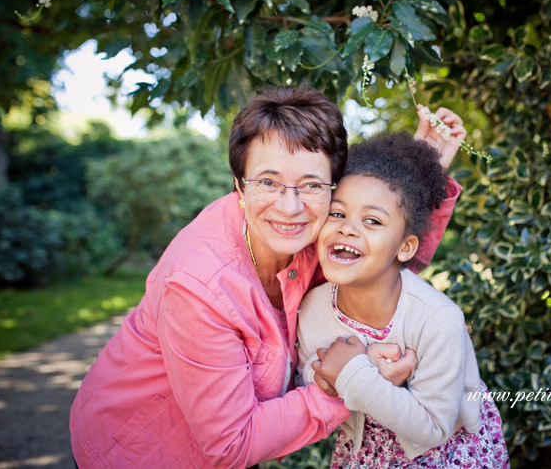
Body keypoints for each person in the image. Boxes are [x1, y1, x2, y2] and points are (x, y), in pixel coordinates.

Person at [69, 84, 467, 468]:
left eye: (311, 184)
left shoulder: (321, 229)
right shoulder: (199, 285)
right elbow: (232, 444)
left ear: (332, 187)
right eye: (268, 182)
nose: (290, 206)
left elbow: (381, 262)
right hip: (139, 451)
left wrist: (417, 169)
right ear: (239, 185)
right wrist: (352, 382)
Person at [297, 132, 509, 468]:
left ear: (405, 247)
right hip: (365, 453)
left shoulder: (438, 319)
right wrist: (327, 374)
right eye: (337, 214)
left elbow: (435, 426)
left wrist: (354, 374)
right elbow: (306, 372)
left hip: (447, 455)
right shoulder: (312, 310)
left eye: (372, 220)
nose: (348, 229)